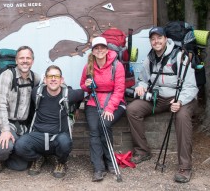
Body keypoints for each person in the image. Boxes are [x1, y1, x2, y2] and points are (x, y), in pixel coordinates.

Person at [126, 27, 198, 183]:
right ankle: (143, 151)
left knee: (183, 117)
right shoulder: (149, 58)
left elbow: (192, 86)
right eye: (153, 39)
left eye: (159, 38)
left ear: (166, 39)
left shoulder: (179, 57)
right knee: (132, 109)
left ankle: (185, 166)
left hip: (182, 98)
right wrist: (141, 85)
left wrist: (180, 101)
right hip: (159, 99)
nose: (156, 41)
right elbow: (144, 79)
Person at [14, 65, 84, 178]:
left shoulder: (68, 94)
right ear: (45, 80)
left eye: (56, 76)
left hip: (58, 136)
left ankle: (60, 162)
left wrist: (75, 108)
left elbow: (81, 93)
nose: (53, 79)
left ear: (62, 80)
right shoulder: (36, 93)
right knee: (20, 146)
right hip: (38, 136)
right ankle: (37, 158)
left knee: (65, 143)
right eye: (50, 76)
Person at [80, 36, 126, 182]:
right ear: (93, 51)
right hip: (94, 102)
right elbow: (83, 86)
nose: (99, 50)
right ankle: (98, 168)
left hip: (114, 102)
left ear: (107, 50)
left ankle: (110, 161)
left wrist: (110, 108)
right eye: (96, 48)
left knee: (104, 125)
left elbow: (119, 89)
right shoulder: (88, 66)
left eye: (102, 47)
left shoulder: (117, 65)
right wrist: (87, 85)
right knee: (94, 129)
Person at [0, 46, 40, 173]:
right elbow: (0, 104)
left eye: (28, 58)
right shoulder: (7, 76)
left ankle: (11, 150)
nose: (25, 61)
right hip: (5, 122)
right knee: (4, 147)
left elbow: (50, 84)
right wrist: (5, 131)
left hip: (22, 126)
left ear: (32, 61)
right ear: (16, 61)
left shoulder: (35, 78)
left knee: (20, 166)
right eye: (21, 58)